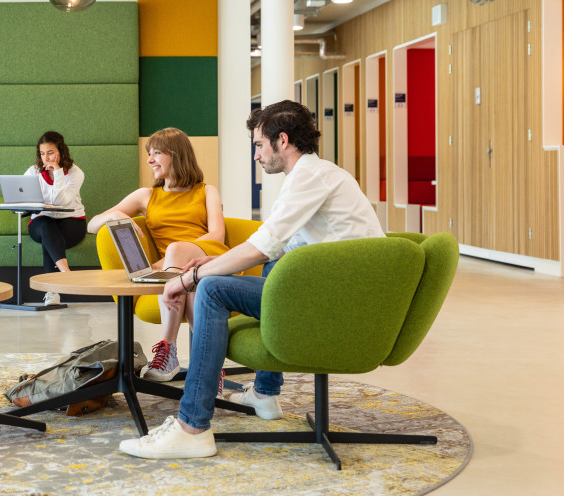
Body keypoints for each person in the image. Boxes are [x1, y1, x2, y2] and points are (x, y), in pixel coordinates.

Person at [118, 100, 386, 459]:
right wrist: (216, 259)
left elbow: (264, 247)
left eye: (259, 145)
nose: (257, 155)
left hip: (340, 302)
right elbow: (277, 246)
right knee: (272, 267)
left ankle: (192, 426)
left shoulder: (309, 178)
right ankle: (265, 393)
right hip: (340, 291)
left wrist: (192, 277)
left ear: (283, 141)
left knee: (211, 289)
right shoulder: (319, 175)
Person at [87, 127, 228, 383]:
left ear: (177, 155)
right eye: (148, 154)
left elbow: (217, 236)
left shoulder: (206, 190)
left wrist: (171, 257)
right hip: (179, 273)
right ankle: (208, 369)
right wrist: (115, 215)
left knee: (179, 254)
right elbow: (92, 224)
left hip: (209, 257)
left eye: (157, 153)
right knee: (196, 287)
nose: (150, 159)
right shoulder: (146, 195)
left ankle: (168, 348)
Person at [25, 131, 86, 307]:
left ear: (61, 151)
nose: (46, 158)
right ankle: (66, 274)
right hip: (41, 222)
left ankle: (52, 291)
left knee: (49, 239)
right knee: (46, 225)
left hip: (72, 221)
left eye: (50, 152)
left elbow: (61, 202)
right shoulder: (33, 172)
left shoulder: (75, 173)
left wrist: (58, 173)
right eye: (42, 153)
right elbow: (23, 196)